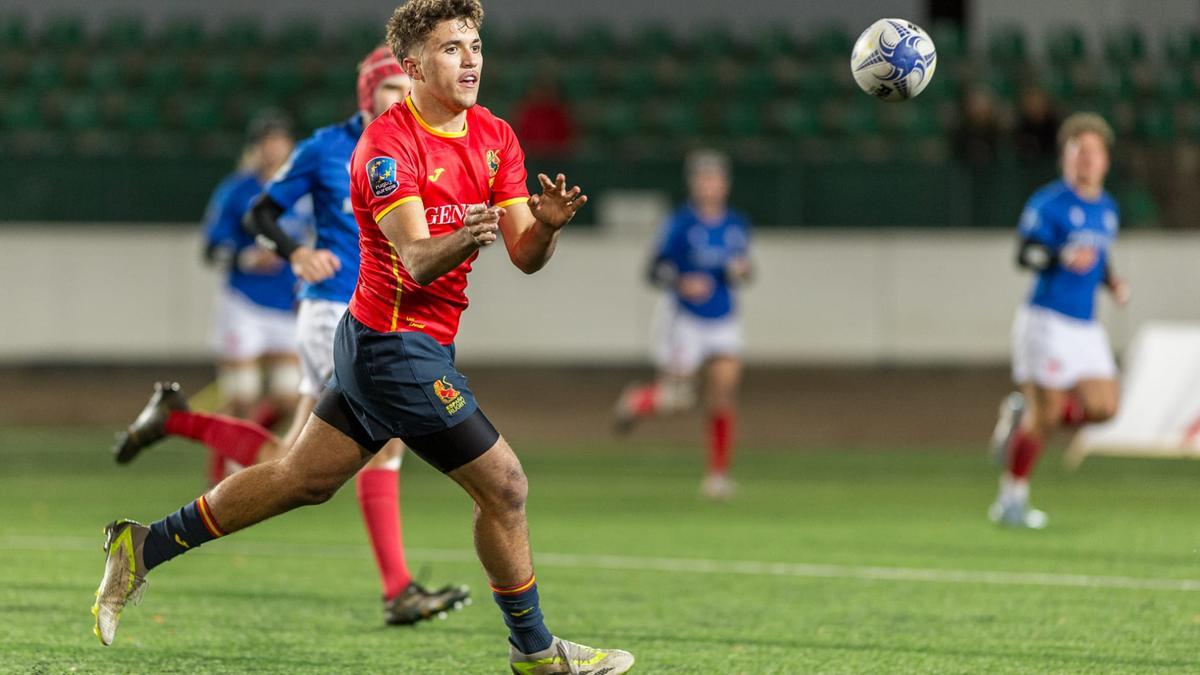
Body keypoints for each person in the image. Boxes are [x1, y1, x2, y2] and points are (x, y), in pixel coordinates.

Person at [93, 2, 634, 672]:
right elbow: (416, 259)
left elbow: (525, 255)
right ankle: (536, 652)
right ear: (414, 67)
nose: (470, 59)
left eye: (475, 45)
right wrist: (467, 234)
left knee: (299, 479)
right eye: (451, 48)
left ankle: (143, 545)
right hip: (392, 347)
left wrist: (545, 227)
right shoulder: (386, 146)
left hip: (398, 343)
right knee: (505, 486)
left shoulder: (495, 135)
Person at [111, 47, 468, 626]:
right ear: (367, 93)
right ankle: (398, 589)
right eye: (390, 88)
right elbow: (261, 213)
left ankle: (175, 421)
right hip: (333, 312)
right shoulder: (326, 148)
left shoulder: (416, 147)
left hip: (373, 315)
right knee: (385, 439)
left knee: (290, 459)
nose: (401, 98)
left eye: (409, 88)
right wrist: (297, 252)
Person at [989, 113, 1130, 529]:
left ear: (1105, 160)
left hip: (1085, 325)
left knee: (1105, 408)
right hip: (1046, 319)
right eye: (1077, 151)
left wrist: (1111, 281)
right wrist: (1059, 256)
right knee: (1047, 414)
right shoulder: (1048, 204)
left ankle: (1023, 413)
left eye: (1093, 152)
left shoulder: (1107, 208)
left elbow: (1099, 256)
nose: (1086, 159)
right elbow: (1025, 254)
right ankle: (1011, 499)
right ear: (1064, 158)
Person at [613, 150, 752, 501]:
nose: (710, 185)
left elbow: (745, 269)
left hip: (723, 317)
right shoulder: (680, 224)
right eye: (703, 179)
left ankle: (718, 475)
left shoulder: (736, 224)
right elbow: (654, 270)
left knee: (723, 392)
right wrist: (681, 282)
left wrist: (743, 271)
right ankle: (638, 401)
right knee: (678, 398)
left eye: (715, 178)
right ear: (693, 184)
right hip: (686, 318)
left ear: (725, 184)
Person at [201, 111, 308, 481]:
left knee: (289, 396)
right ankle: (222, 467)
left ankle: (246, 448)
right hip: (243, 302)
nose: (273, 148)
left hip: (286, 304)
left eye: (279, 140)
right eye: (266, 141)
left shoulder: (303, 192)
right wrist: (247, 257)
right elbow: (211, 248)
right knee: (242, 393)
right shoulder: (237, 190)